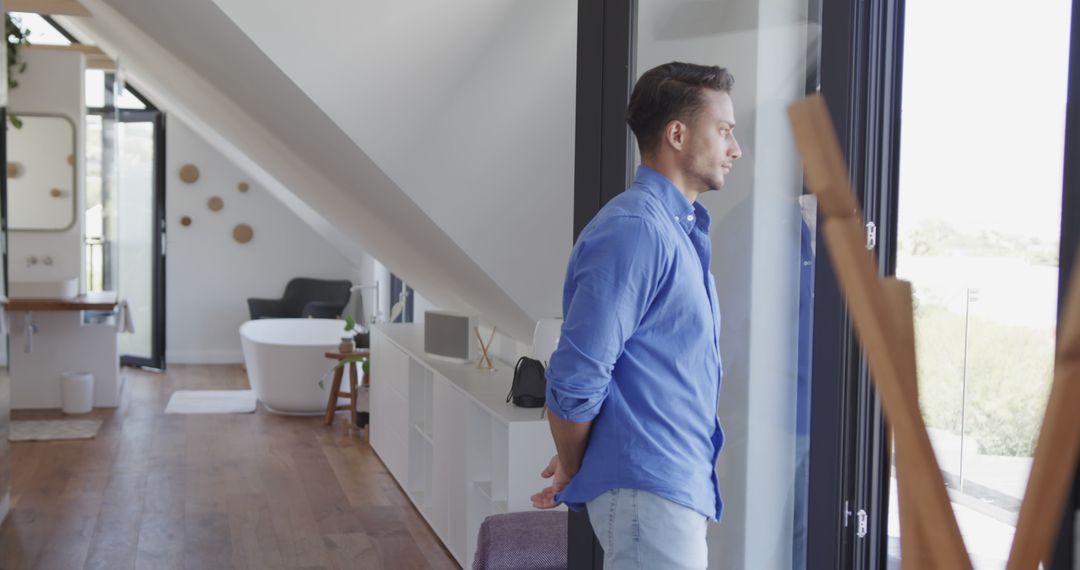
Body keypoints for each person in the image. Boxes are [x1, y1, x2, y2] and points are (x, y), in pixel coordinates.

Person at [530, 61, 742, 569]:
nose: (734, 149)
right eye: (724, 131)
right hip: (652, 490)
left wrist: (584, 457)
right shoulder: (638, 230)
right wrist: (578, 465)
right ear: (676, 134)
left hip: (667, 487)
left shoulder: (676, 232)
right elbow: (574, 377)